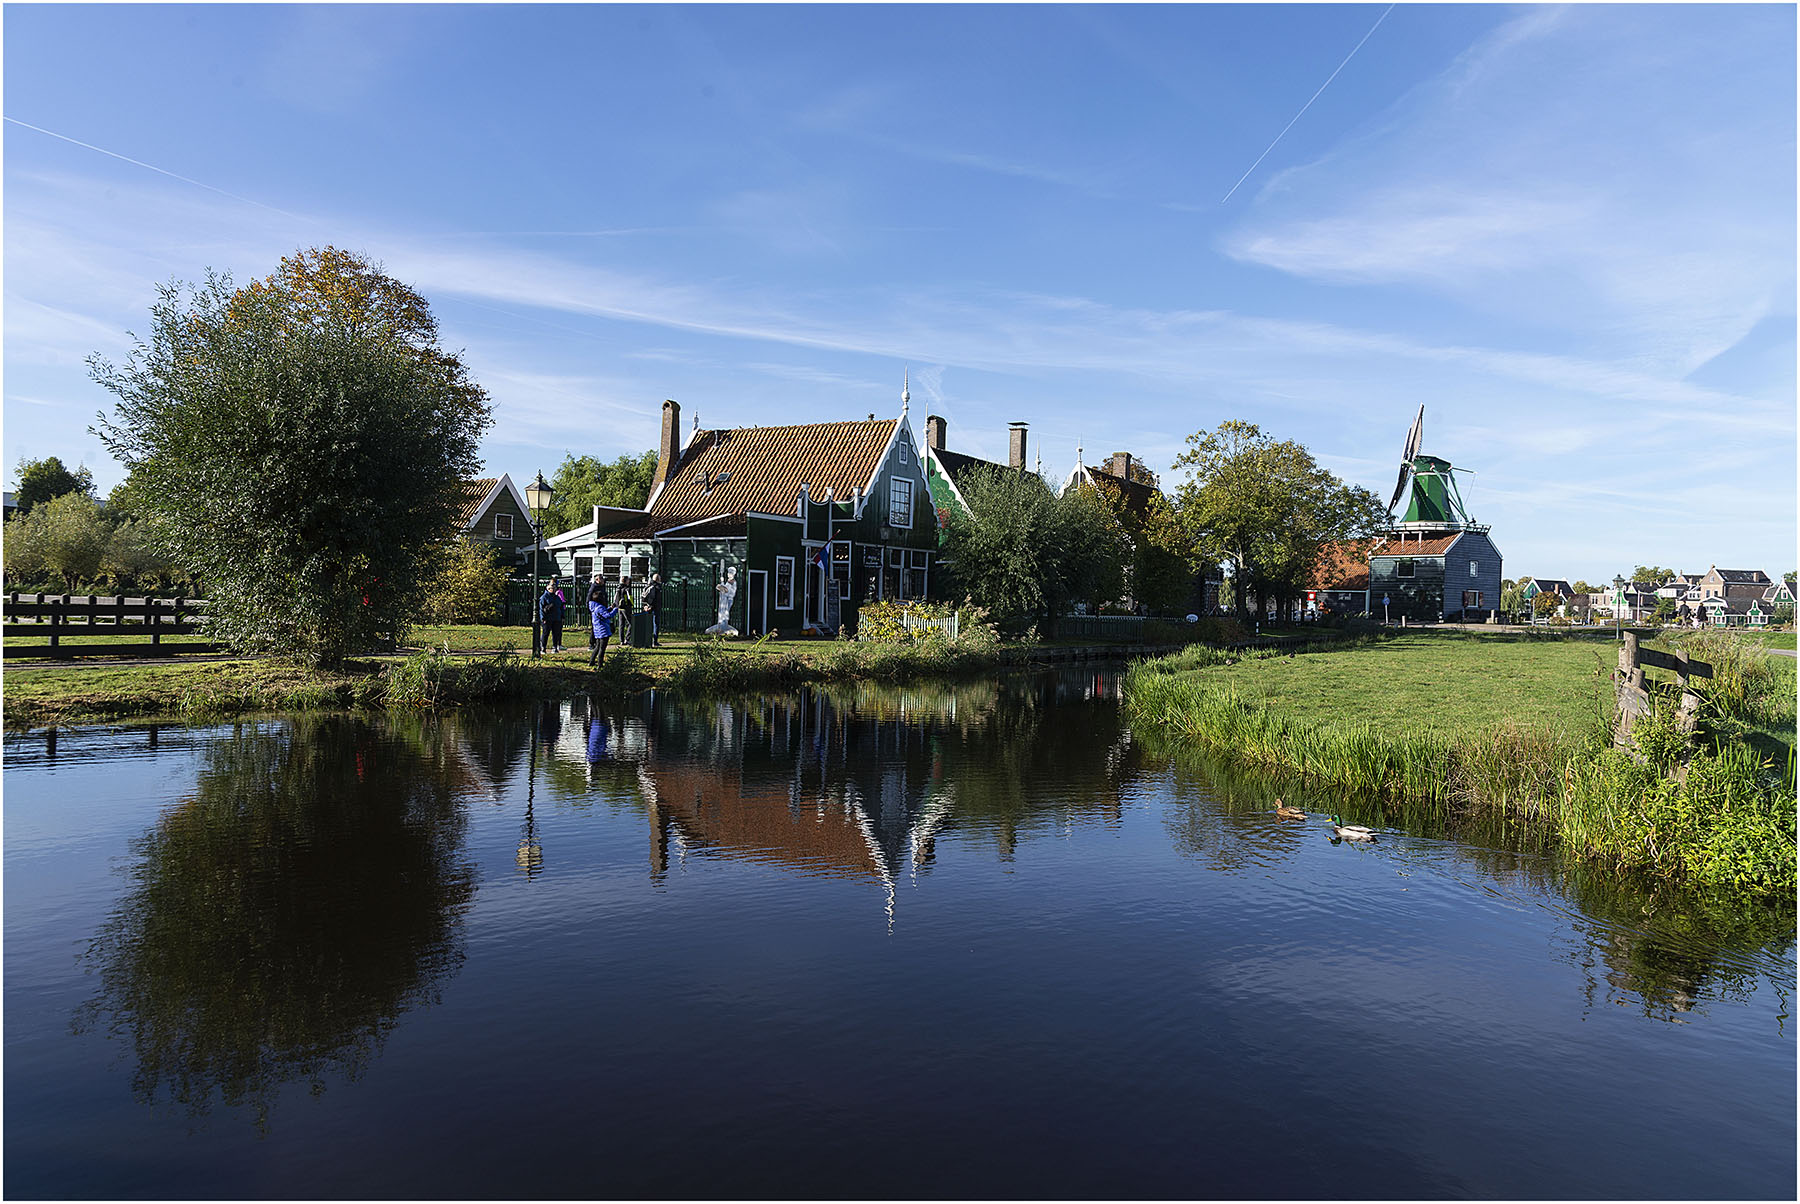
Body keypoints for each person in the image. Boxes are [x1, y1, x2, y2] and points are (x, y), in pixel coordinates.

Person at [589, 578, 621, 667]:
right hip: (603, 630)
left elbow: (603, 613)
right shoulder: (600, 608)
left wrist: (610, 608)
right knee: (602, 649)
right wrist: (615, 610)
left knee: (597, 647)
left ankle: (591, 661)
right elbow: (608, 616)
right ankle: (600, 664)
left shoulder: (595, 607)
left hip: (597, 630)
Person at [539, 579, 566, 653]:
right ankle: (543, 647)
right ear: (548, 588)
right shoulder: (544, 597)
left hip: (556, 618)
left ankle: (555, 647)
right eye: (551, 588)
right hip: (547, 618)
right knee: (545, 633)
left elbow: (561, 607)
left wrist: (562, 616)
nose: (553, 590)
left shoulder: (557, 597)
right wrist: (543, 618)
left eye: (554, 588)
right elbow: (541, 608)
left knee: (556, 634)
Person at [641, 572, 663, 647]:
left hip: (648, 607)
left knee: (647, 624)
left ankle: (645, 640)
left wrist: (645, 605)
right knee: (656, 624)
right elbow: (656, 599)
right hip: (655, 608)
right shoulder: (657, 588)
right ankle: (655, 641)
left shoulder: (648, 586)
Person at [614, 575, 635, 646]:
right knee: (631, 623)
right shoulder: (626, 589)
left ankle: (621, 640)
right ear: (626, 581)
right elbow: (629, 598)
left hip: (620, 607)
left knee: (621, 624)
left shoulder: (618, 588)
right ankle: (627, 639)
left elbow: (615, 598)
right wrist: (631, 604)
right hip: (626, 607)